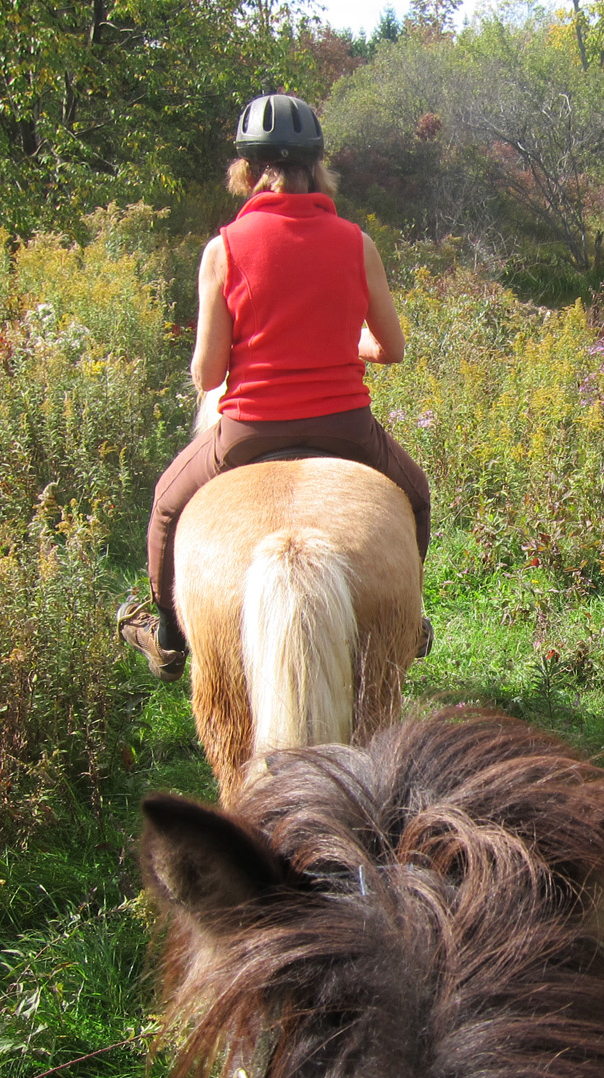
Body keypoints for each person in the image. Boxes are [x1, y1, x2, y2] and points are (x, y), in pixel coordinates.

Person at [118, 93, 431, 681]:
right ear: (317, 167)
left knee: (165, 506)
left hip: (249, 432)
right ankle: (408, 623)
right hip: (347, 429)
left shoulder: (223, 250)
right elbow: (392, 348)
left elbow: (208, 376)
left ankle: (167, 637)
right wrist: (349, 343)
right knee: (415, 496)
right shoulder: (357, 243)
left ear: (247, 170)